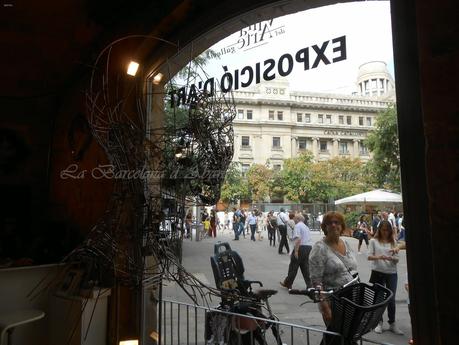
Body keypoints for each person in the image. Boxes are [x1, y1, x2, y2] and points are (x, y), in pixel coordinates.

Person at [309, 211, 358, 326]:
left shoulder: (346, 243)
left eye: (337, 222)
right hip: (333, 301)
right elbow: (316, 281)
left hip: (352, 297)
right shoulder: (319, 248)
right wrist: (325, 307)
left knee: (349, 335)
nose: (334, 225)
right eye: (329, 223)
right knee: (336, 336)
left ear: (342, 226)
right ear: (325, 227)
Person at [367, 220, 404, 335]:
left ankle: (392, 323)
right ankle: (379, 323)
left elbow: (397, 258)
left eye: (387, 230)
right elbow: (369, 257)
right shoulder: (373, 241)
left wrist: (392, 258)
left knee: (391, 299)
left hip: (392, 272)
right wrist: (379, 257)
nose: (385, 232)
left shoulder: (393, 241)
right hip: (378, 272)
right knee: (379, 298)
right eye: (383, 230)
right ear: (379, 230)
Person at [280, 213, 312, 289]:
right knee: (305, 267)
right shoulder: (306, 227)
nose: (294, 220)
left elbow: (298, 239)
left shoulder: (297, 226)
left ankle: (288, 283)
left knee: (293, 266)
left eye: (295, 219)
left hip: (301, 247)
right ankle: (310, 285)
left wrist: (296, 251)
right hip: (308, 247)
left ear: (298, 219)